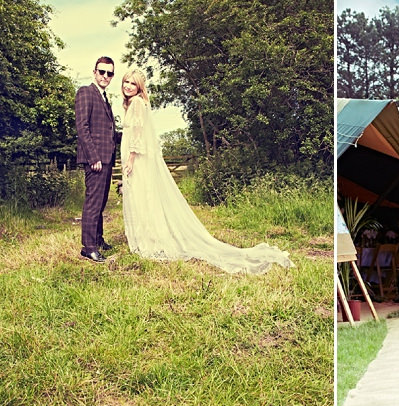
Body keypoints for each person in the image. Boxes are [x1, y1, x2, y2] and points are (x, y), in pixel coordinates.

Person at [119, 69, 293, 274]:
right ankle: (149, 238)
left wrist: (130, 159)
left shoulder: (138, 103)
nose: (128, 86)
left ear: (139, 86)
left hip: (137, 159)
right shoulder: (133, 103)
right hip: (136, 157)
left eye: (132, 83)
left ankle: (150, 242)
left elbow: (138, 134)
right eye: (126, 82)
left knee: (142, 197)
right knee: (143, 197)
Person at [76, 56, 118, 263]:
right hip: (96, 159)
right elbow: (82, 128)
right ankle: (89, 247)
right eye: (102, 72)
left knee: (101, 202)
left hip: (107, 158)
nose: (105, 76)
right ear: (94, 72)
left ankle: (98, 239)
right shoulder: (86, 92)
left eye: (109, 73)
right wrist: (93, 157)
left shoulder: (104, 97)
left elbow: (107, 131)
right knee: (93, 202)